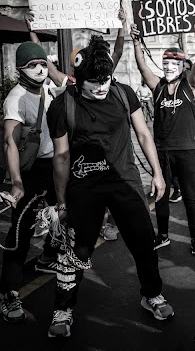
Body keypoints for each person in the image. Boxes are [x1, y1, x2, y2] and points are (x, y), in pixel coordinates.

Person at [46, 35, 173, 338]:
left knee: (143, 241)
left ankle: (152, 294)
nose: (102, 86)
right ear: (79, 79)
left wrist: (157, 174)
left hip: (124, 182)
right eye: (94, 82)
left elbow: (143, 134)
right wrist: (62, 203)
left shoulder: (123, 93)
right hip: (84, 186)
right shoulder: (63, 106)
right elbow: (61, 157)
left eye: (106, 79)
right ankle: (63, 309)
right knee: (77, 250)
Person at [0, 41, 66, 322]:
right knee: (20, 229)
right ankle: (9, 293)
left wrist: (33, 35)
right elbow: (10, 143)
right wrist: (16, 181)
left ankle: (47, 258)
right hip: (31, 170)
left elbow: (65, 81)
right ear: (20, 69)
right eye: (32, 65)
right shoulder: (16, 98)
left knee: (60, 215)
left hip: (55, 166)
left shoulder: (50, 89)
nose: (40, 69)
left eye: (42, 64)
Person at [131, 22, 195, 255]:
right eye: (165, 64)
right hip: (161, 150)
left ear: (182, 67)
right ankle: (162, 235)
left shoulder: (190, 85)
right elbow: (142, 67)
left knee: (188, 196)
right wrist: (136, 41)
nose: (167, 68)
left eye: (173, 64)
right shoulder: (158, 87)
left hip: (185, 150)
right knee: (161, 193)